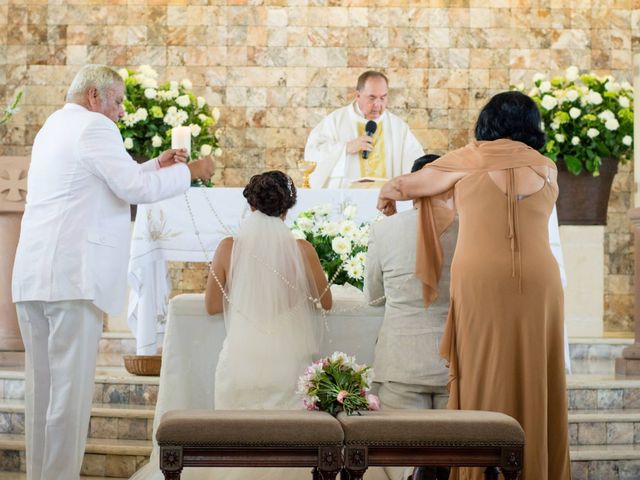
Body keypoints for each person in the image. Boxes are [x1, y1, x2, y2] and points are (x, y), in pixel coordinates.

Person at [11, 64, 215, 480]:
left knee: (42, 394)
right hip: (72, 279)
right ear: (94, 96)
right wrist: (189, 173)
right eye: (118, 101)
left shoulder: (53, 126)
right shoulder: (95, 128)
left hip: (34, 276)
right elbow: (132, 190)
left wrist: (157, 164)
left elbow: (104, 181)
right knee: (68, 399)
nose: (122, 111)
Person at [377, 91, 571, 480]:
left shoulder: (470, 158)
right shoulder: (548, 167)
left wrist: (385, 194)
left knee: (484, 370)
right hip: (541, 282)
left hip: (481, 279)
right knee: (536, 372)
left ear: (489, 122)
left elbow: (405, 186)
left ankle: (482, 466)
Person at [365, 154, 454, 480]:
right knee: (454, 460)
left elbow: (373, 296)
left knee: (403, 460)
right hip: (453, 361)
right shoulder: (469, 229)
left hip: (401, 360)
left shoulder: (386, 231)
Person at [304, 71, 424, 188]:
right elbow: (313, 152)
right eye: (372, 98)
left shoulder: (398, 127)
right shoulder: (336, 121)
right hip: (347, 196)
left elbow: (415, 160)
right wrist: (345, 148)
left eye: (383, 98)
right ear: (358, 95)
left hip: (386, 199)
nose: (377, 104)